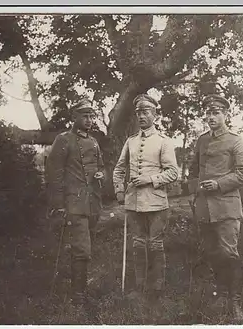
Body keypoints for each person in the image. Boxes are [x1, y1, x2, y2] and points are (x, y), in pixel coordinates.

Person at [188, 94, 243, 321]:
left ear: (226, 114)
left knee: (228, 253)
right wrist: (194, 193)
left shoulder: (235, 141)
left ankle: (234, 303)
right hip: (205, 207)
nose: (211, 116)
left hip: (226, 207)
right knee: (212, 252)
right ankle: (221, 295)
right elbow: (193, 171)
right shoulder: (202, 140)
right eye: (208, 112)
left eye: (216, 112)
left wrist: (218, 184)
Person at [113, 93, 179, 302]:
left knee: (155, 244)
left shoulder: (164, 142)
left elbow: (172, 172)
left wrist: (150, 179)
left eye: (146, 112)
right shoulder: (130, 142)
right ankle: (139, 287)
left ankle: (157, 289)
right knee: (138, 244)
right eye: (139, 112)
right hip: (133, 203)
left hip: (156, 202)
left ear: (155, 115)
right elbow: (119, 169)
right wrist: (118, 191)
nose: (141, 116)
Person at [45, 98, 105, 306]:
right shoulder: (64, 140)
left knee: (84, 248)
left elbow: (101, 166)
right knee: (82, 249)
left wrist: (100, 174)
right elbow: (54, 174)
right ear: (74, 117)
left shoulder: (94, 141)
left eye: (91, 116)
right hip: (73, 203)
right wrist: (59, 204)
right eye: (84, 116)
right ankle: (78, 295)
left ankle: (79, 287)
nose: (89, 120)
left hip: (92, 204)